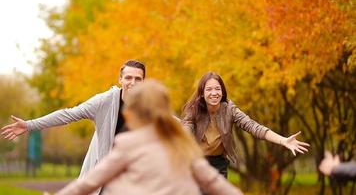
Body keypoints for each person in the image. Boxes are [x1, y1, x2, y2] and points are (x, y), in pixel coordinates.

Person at [55, 79, 243, 195]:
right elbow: (212, 181)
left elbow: (91, 181)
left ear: (131, 115)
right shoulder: (181, 143)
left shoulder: (128, 144)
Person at [1, 60, 145, 180]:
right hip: (103, 175)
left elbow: (166, 124)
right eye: (128, 77)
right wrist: (29, 125)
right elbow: (68, 114)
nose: (133, 82)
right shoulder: (103, 102)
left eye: (138, 79)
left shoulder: (150, 106)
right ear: (120, 79)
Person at [182, 72, 310, 177]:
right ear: (202, 93)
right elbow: (185, 130)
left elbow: (254, 127)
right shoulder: (194, 110)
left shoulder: (229, 110)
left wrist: (283, 141)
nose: (214, 93)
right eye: (209, 89)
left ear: (222, 91)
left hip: (219, 165)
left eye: (217, 89)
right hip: (197, 163)